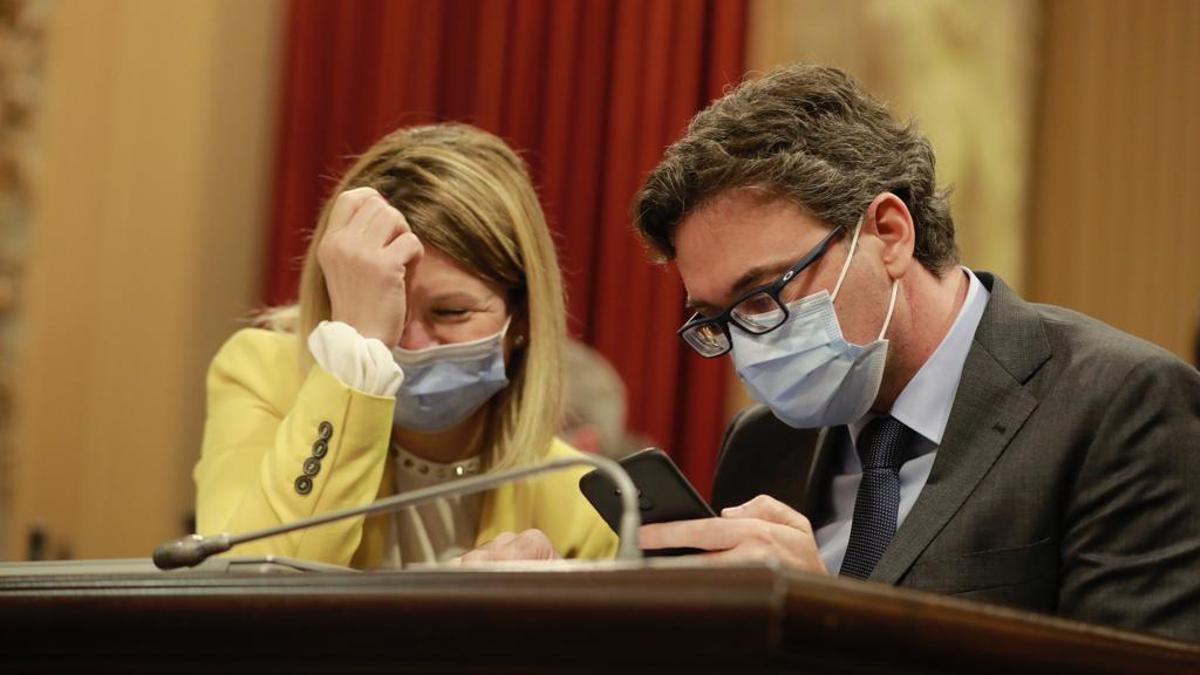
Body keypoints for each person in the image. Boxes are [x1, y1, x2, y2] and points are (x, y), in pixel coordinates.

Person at [632, 64, 1200, 640]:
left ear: (889, 232)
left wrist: (830, 625)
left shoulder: (1123, 405)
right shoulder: (764, 442)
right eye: (717, 319)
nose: (752, 340)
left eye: (763, 294)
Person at [195, 124, 616, 568]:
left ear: (523, 318)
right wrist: (358, 349)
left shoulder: (576, 493)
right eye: (386, 309)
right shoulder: (261, 373)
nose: (411, 343)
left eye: (451, 312)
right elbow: (253, 589)